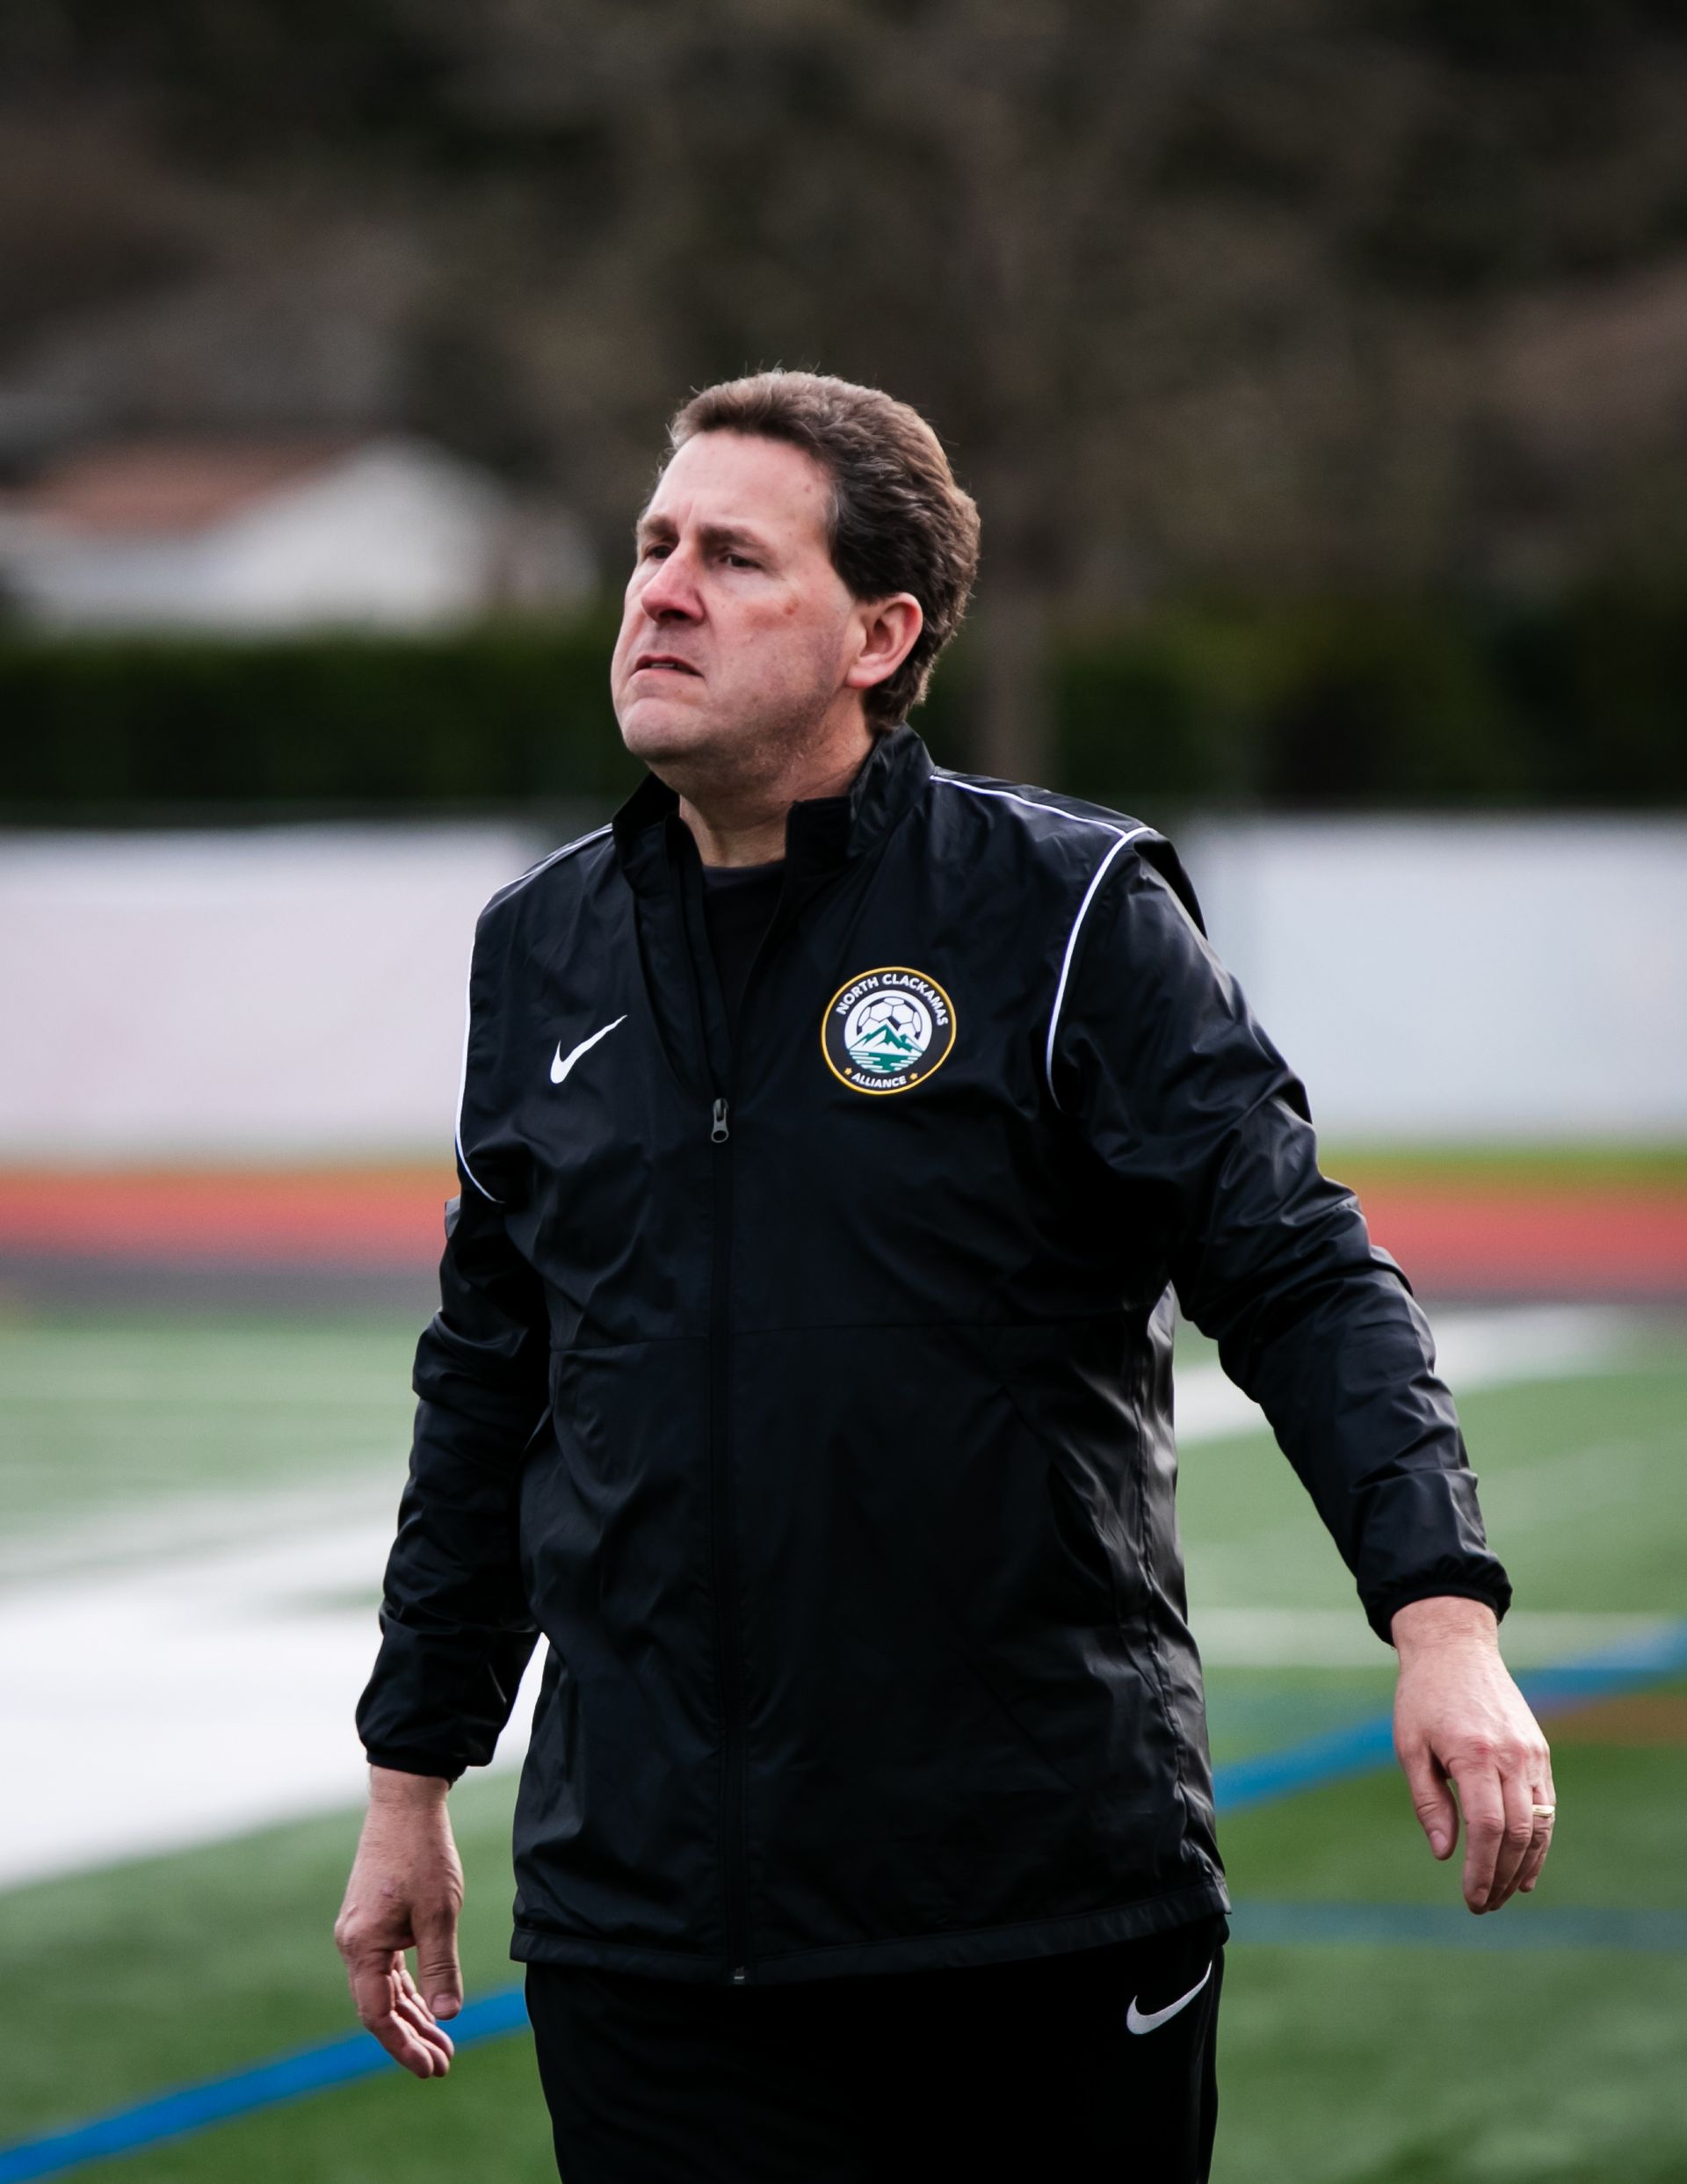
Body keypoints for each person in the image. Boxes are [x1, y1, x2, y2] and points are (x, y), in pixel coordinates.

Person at [335, 371, 1555, 2182]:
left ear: (878, 634)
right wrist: (411, 1774)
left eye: (733, 557)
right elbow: (492, 1382)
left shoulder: (1062, 919)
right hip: (649, 1929)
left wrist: (1443, 1618)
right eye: (655, 543)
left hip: (1033, 1910)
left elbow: (1301, 1273)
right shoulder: (544, 950)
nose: (659, 588)